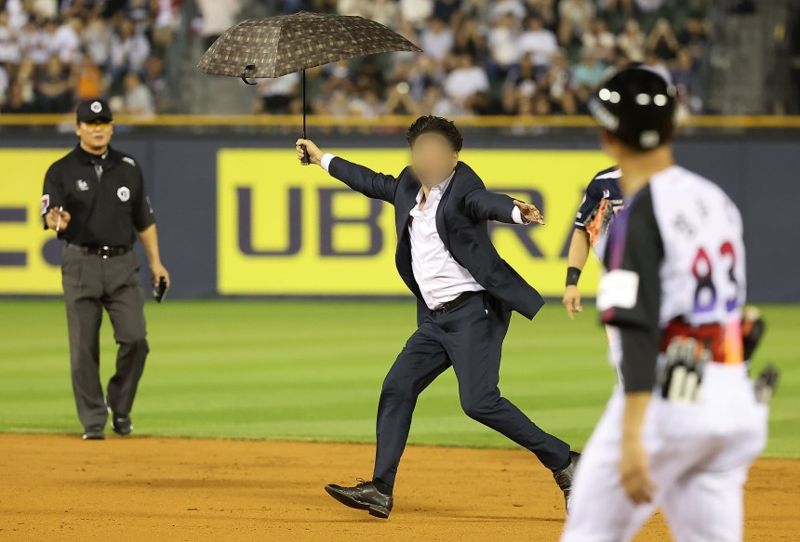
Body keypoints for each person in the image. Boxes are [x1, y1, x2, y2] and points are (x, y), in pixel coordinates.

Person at [296, 115, 579, 519]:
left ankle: (565, 461)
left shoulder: (464, 186)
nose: (426, 157)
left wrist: (515, 211)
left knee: (479, 402)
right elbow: (371, 181)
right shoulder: (409, 186)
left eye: (434, 151)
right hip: (434, 320)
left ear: (453, 156)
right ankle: (380, 489)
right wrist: (322, 159)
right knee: (397, 386)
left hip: (473, 314)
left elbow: (485, 203)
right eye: (419, 150)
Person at [560, 66, 769, 541]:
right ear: (674, 127)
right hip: (731, 398)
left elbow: (635, 327)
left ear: (607, 137)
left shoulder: (635, 215)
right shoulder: (715, 200)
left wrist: (634, 435)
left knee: (589, 534)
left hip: (667, 403)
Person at [41, 99, 170, 440]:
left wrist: (156, 262)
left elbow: (145, 220)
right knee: (83, 347)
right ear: (78, 128)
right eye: (90, 122)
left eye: (103, 121)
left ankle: (120, 404)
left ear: (112, 126)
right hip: (80, 262)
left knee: (135, 339)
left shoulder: (128, 167)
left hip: (122, 264)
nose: (97, 127)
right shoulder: (61, 170)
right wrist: (55, 219)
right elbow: (49, 212)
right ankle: (94, 420)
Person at [562, 166, 622, 319]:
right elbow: (582, 230)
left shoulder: (665, 181)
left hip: (659, 277)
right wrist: (571, 283)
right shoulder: (604, 181)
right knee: (618, 342)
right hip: (617, 279)